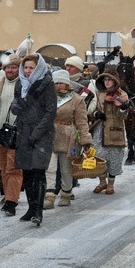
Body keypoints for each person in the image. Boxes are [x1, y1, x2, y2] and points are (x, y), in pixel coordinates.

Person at [11, 53, 56, 227]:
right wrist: (15, 106)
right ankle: (31, 207)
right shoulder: (20, 83)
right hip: (23, 132)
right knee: (27, 172)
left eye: (31, 67)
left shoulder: (47, 84)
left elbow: (50, 111)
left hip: (41, 134)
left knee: (38, 171)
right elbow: (16, 106)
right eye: (26, 67)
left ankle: (38, 210)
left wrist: (36, 134)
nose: (28, 71)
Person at [45, 70, 93, 209]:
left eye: (61, 83)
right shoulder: (48, 97)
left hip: (69, 136)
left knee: (66, 168)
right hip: (51, 134)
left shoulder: (77, 100)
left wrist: (85, 140)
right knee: (50, 167)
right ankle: (49, 196)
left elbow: (82, 122)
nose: (58, 86)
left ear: (67, 84)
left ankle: (66, 193)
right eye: (56, 83)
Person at [91, 68, 130, 195]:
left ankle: (111, 184)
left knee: (114, 158)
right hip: (100, 129)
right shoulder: (98, 93)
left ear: (115, 81)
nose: (107, 83)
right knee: (99, 156)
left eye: (109, 80)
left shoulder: (122, 94)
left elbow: (122, 116)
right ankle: (102, 182)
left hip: (115, 129)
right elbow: (91, 108)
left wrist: (123, 108)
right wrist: (96, 113)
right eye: (105, 80)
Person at [0, 54, 22, 216]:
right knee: (4, 168)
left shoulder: (24, 85)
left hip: (16, 132)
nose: (10, 70)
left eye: (13, 67)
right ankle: (8, 195)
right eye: (7, 67)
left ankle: (12, 201)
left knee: (14, 168)